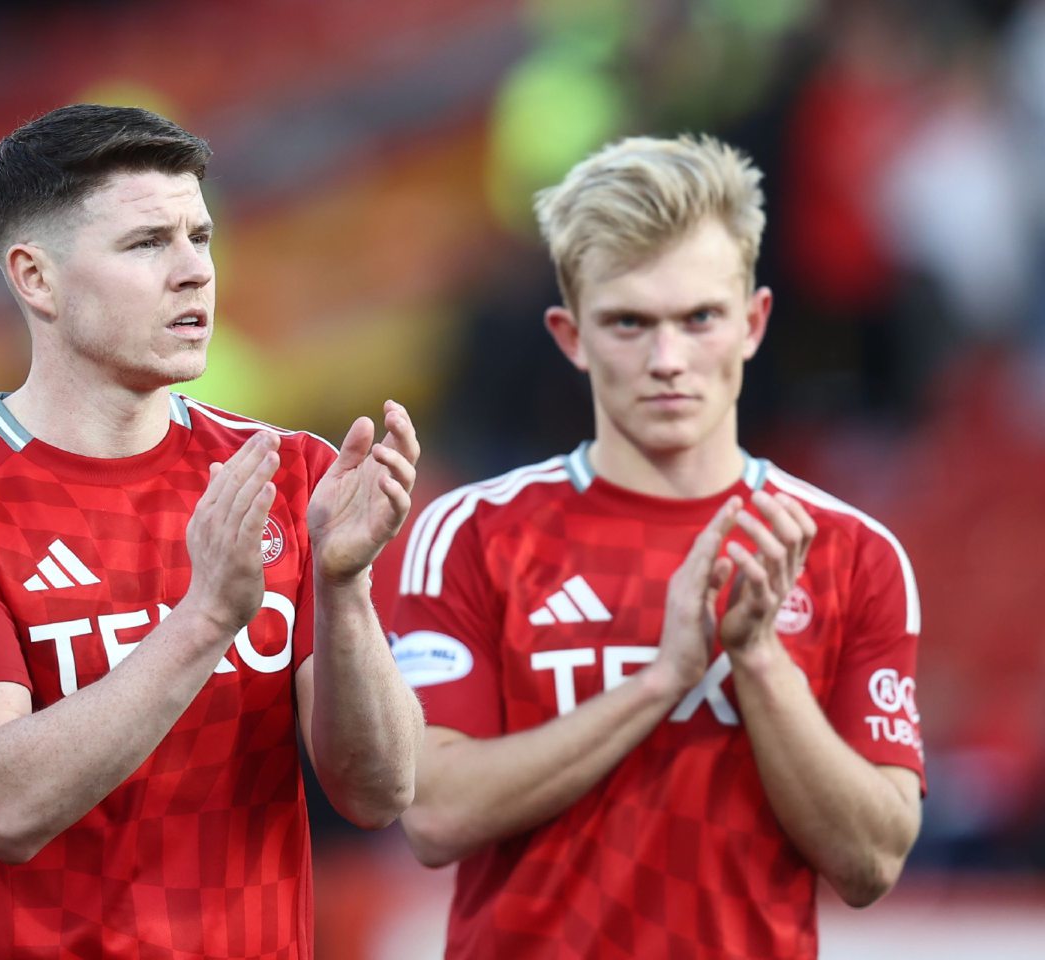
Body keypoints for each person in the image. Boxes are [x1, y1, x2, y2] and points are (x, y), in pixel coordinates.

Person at [0, 103, 423, 960]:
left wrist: (344, 589)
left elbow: (380, 791)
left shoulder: (285, 473)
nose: (194, 273)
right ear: (36, 278)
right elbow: (3, 803)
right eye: (147, 244)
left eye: (200, 237)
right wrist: (208, 618)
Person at [391, 134, 924, 959]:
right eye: (629, 323)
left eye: (700, 319)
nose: (668, 360)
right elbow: (434, 814)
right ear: (571, 337)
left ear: (753, 323)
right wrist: (663, 680)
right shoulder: (470, 534)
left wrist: (758, 660)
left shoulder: (854, 552)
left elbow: (872, 860)